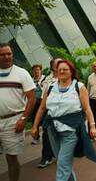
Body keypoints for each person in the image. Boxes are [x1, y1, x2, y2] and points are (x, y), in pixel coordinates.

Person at [32, 60, 96, 181]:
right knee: (62, 162)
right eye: (59, 69)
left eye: (65, 69)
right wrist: (34, 126)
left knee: (63, 164)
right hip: (52, 130)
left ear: (71, 72)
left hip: (70, 131)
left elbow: (87, 108)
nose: (62, 71)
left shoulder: (79, 87)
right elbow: (42, 108)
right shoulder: (50, 87)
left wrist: (92, 126)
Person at [0, 43, 36, 181]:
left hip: (13, 122)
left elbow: (32, 98)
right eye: (3, 54)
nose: (6, 57)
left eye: (9, 54)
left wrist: (23, 119)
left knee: (11, 157)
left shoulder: (21, 73)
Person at [36, 58, 62, 168]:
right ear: (53, 67)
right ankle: (46, 157)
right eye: (58, 64)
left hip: (64, 110)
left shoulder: (68, 76)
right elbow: (43, 99)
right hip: (50, 111)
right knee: (47, 134)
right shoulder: (48, 80)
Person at [30, 64, 46, 145]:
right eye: (35, 70)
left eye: (38, 69)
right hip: (34, 102)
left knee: (44, 119)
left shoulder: (45, 79)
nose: (36, 71)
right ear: (33, 71)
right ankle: (36, 137)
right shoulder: (31, 80)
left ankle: (47, 137)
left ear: (40, 70)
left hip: (43, 101)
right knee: (34, 119)